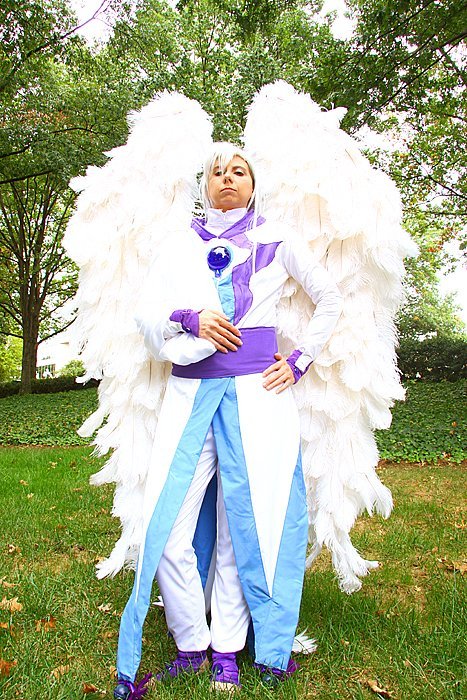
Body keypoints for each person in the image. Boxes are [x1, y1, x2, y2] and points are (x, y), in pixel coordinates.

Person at [112, 142, 343, 699]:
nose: (228, 178)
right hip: (190, 392)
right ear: (205, 185)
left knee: (248, 525)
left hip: (258, 396)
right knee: (167, 524)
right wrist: (189, 318)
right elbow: (146, 314)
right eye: (217, 172)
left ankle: (226, 651)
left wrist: (300, 360)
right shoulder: (178, 246)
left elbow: (330, 299)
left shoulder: (278, 238)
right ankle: (190, 640)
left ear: (253, 184)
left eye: (239, 170)